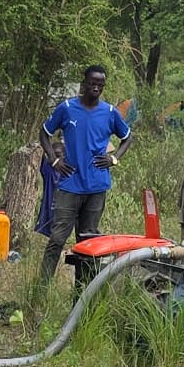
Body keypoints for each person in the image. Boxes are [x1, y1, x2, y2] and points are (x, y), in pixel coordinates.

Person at [38, 65, 131, 282]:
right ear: (84, 83)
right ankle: (41, 287)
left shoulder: (110, 112)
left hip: (97, 186)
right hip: (70, 184)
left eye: (100, 85)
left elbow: (127, 137)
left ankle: (84, 290)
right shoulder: (67, 108)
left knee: (88, 242)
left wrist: (114, 158)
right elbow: (44, 133)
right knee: (57, 239)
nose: (95, 88)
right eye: (92, 83)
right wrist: (54, 160)